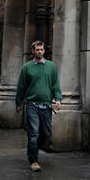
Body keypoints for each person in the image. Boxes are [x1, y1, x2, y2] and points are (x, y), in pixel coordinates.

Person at [15, 40, 62, 172]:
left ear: (44, 51)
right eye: (37, 50)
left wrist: (58, 98)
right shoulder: (27, 68)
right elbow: (21, 87)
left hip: (46, 106)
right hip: (32, 105)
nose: (40, 51)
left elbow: (55, 84)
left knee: (47, 134)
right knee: (33, 133)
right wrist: (18, 103)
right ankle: (33, 160)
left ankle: (33, 148)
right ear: (33, 51)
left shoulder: (51, 67)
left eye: (41, 49)